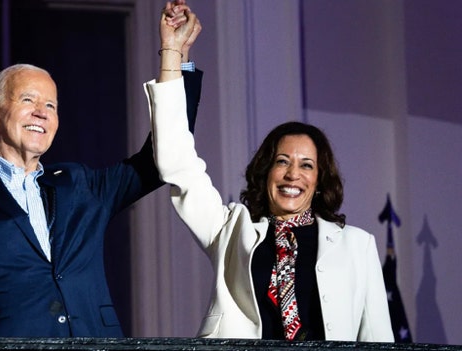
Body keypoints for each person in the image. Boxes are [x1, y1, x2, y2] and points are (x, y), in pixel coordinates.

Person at [0, 2, 202, 350]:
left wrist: (176, 56)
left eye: (51, 106)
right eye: (28, 100)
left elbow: (161, 158)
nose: (41, 113)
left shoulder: (79, 184)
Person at [144, 9, 394, 342]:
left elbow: (378, 341)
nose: (293, 174)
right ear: (266, 172)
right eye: (282, 161)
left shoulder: (358, 246)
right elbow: (177, 161)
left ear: (320, 180)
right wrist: (174, 54)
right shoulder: (231, 231)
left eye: (306, 165)